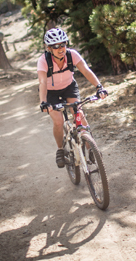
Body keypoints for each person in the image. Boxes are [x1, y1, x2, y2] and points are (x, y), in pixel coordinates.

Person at [38, 28, 108, 168]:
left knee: (79, 115)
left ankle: (91, 148)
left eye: (63, 44)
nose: (60, 49)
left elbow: (86, 71)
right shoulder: (43, 61)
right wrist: (43, 102)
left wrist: (99, 87)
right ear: (49, 48)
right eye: (55, 46)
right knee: (58, 122)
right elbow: (42, 82)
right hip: (51, 93)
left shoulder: (72, 55)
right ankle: (60, 150)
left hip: (69, 87)